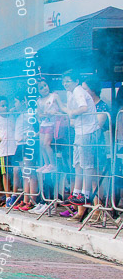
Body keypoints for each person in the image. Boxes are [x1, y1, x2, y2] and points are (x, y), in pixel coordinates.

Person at [62, 70, 97, 206]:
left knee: (86, 164)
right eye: (64, 82)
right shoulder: (70, 93)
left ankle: (85, 194)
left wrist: (72, 114)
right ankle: (76, 193)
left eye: (68, 81)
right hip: (79, 131)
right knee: (77, 163)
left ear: (76, 81)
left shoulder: (78, 90)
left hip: (88, 130)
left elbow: (83, 108)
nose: (65, 84)